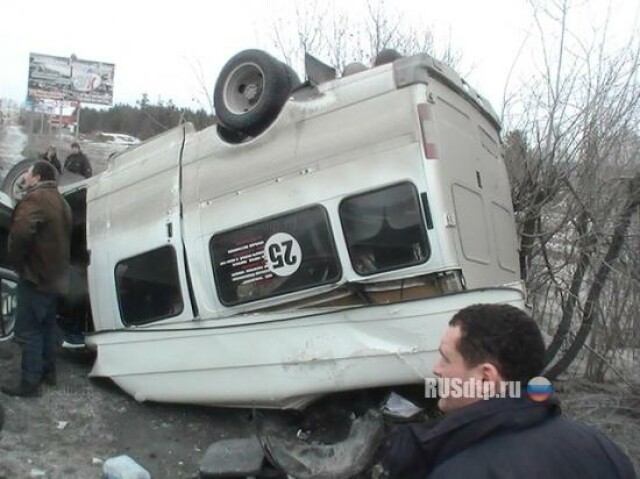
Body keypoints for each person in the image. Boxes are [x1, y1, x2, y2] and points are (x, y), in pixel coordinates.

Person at [384, 303, 635, 479]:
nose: (437, 370)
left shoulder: (459, 470)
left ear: (485, 377)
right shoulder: (601, 448)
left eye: (446, 359)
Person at [1, 161, 72, 397]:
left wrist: (17, 262)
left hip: (36, 276)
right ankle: (48, 373)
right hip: (55, 277)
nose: (25, 178)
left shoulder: (35, 200)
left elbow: (20, 234)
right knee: (48, 327)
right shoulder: (61, 201)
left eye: (29, 174)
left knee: (29, 330)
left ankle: (29, 382)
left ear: (38, 177)